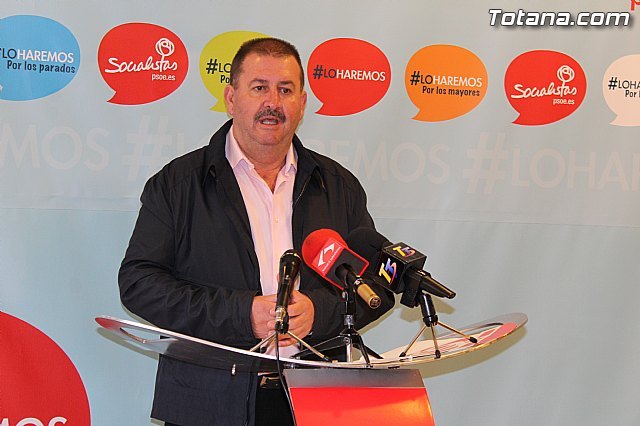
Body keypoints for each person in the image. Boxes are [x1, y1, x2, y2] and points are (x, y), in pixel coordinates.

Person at [118, 37, 393, 426]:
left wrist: (319, 313)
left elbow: (377, 284)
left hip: (316, 402)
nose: (272, 103)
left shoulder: (338, 185)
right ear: (231, 98)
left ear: (302, 103)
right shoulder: (178, 184)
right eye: (259, 87)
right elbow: (139, 284)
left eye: (286, 90)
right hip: (206, 404)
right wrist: (240, 313)